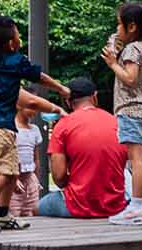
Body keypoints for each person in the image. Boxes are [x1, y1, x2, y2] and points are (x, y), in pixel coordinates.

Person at [0, 15, 71, 232]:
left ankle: (2, 214)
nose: (20, 39)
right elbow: (40, 78)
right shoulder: (16, 61)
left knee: (12, 170)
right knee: (7, 174)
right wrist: (61, 89)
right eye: (18, 35)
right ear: (11, 43)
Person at [37, 76, 129, 220]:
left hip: (77, 205)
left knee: (34, 208)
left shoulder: (62, 126)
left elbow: (59, 177)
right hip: (116, 206)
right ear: (95, 96)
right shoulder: (116, 122)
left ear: (68, 101)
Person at [103, 0, 142, 225]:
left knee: (135, 160)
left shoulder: (132, 50)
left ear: (131, 26)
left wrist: (113, 63)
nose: (117, 29)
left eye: (119, 25)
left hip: (131, 109)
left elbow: (131, 78)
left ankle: (135, 206)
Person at [10, 98, 43, 217]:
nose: (34, 111)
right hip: (13, 179)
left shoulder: (34, 129)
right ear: (19, 105)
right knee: (14, 211)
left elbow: (36, 158)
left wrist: (37, 180)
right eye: (31, 107)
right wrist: (14, 179)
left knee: (32, 212)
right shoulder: (10, 127)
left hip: (30, 179)